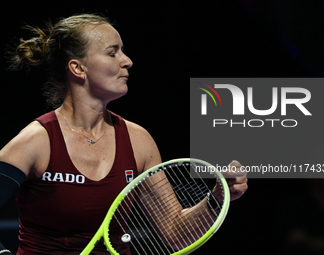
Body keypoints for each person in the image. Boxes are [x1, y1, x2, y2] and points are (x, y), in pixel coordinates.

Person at [0, 13, 248, 254]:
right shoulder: (35, 142)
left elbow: (176, 233)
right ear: (77, 68)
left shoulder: (138, 141)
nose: (127, 60)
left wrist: (217, 195)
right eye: (112, 52)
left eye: (123, 50)